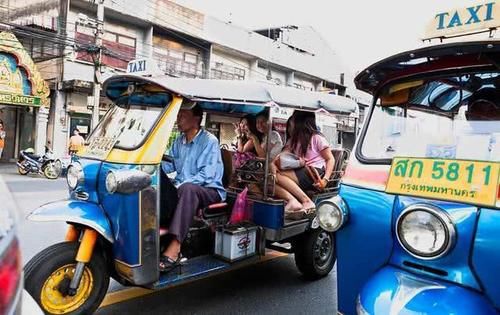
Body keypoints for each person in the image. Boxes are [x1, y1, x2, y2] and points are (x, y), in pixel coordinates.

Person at [160, 104, 225, 272]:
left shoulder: (209, 141)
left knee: (187, 189)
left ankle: (175, 249)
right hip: (185, 188)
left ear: (196, 119)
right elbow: (169, 165)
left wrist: (179, 185)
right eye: (178, 115)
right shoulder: (178, 141)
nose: (178, 119)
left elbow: (207, 176)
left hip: (209, 190)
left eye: (182, 115)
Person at [273, 111, 335, 219]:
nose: (291, 123)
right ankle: (293, 201)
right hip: (300, 169)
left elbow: (330, 159)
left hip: (314, 172)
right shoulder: (293, 140)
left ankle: (305, 201)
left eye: (293, 120)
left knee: (276, 176)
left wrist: (325, 180)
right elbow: (282, 155)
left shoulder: (317, 138)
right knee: (270, 178)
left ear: (300, 122)